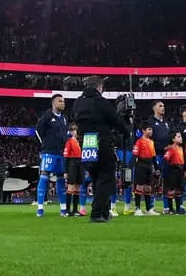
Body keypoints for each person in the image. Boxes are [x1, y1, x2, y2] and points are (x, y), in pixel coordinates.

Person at [73, 75, 131, 223]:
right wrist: (126, 129)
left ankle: (104, 212)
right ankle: (97, 212)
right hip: (102, 140)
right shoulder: (101, 102)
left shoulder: (78, 103)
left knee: (96, 176)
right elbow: (115, 121)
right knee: (107, 177)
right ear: (99, 87)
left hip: (86, 142)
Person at [35, 93, 69, 218]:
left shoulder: (64, 118)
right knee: (44, 176)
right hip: (49, 152)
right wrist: (44, 146)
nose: (63, 103)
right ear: (54, 103)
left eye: (63, 101)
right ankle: (40, 209)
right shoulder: (47, 116)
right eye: (60, 101)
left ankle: (63, 209)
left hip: (61, 153)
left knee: (61, 178)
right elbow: (38, 131)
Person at [148, 101, 172, 212]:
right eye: (160, 106)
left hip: (167, 156)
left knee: (167, 180)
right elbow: (149, 140)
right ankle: (151, 206)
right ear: (154, 108)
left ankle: (166, 206)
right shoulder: (150, 122)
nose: (163, 108)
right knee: (154, 180)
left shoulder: (167, 123)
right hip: (155, 155)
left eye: (163, 105)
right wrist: (162, 148)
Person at [131, 122, 158, 215]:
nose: (151, 131)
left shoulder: (151, 142)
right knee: (139, 187)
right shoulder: (139, 142)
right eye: (149, 129)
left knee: (148, 188)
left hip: (149, 166)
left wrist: (156, 167)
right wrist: (130, 167)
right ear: (143, 130)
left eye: (151, 129)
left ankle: (148, 209)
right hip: (141, 165)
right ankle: (137, 208)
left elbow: (154, 156)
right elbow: (134, 155)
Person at [163, 131, 186, 216]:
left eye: (181, 137)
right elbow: (166, 160)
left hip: (180, 170)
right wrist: (167, 170)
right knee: (171, 190)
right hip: (173, 170)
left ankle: (178, 208)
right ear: (173, 139)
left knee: (178, 190)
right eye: (179, 137)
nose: (181, 138)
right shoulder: (171, 148)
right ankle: (170, 208)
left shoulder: (181, 148)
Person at [62, 124, 82, 215]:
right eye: (73, 130)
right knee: (71, 187)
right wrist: (65, 171)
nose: (75, 131)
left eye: (75, 130)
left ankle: (75, 210)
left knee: (77, 187)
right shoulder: (69, 142)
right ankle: (67, 210)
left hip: (79, 163)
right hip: (72, 163)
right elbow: (66, 157)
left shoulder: (78, 141)